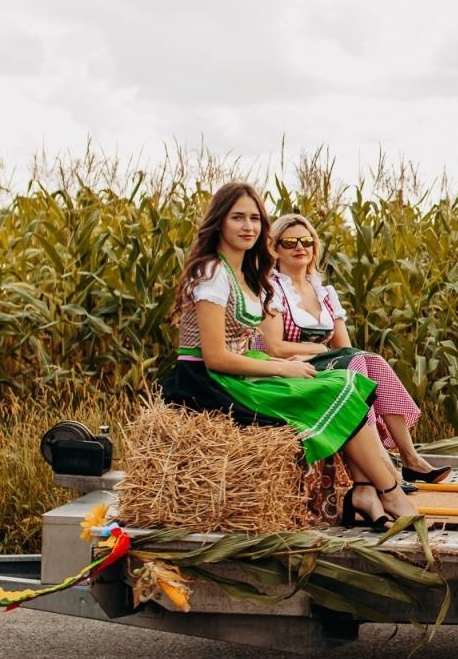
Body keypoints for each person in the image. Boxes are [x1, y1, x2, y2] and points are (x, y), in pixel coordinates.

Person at [159, 182, 419, 529]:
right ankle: (389, 492)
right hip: (208, 382)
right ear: (219, 222)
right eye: (237, 217)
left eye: (254, 218)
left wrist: (284, 364)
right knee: (330, 389)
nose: (248, 226)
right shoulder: (212, 273)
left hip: (239, 372)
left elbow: (244, 347)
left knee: (350, 381)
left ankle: (367, 489)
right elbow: (216, 357)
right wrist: (282, 367)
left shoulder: (245, 274)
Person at [259, 212, 450, 485]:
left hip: (322, 363)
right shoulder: (272, 290)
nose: (299, 247)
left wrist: (322, 354)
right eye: (289, 242)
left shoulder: (324, 293)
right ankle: (382, 463)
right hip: (287, 367)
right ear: (275, 249)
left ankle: (410, 458)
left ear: (314, 247)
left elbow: (344, 348)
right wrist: (313, 349)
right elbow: (274, 347)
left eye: (306, 241)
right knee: (356, 366)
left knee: (372, 362)